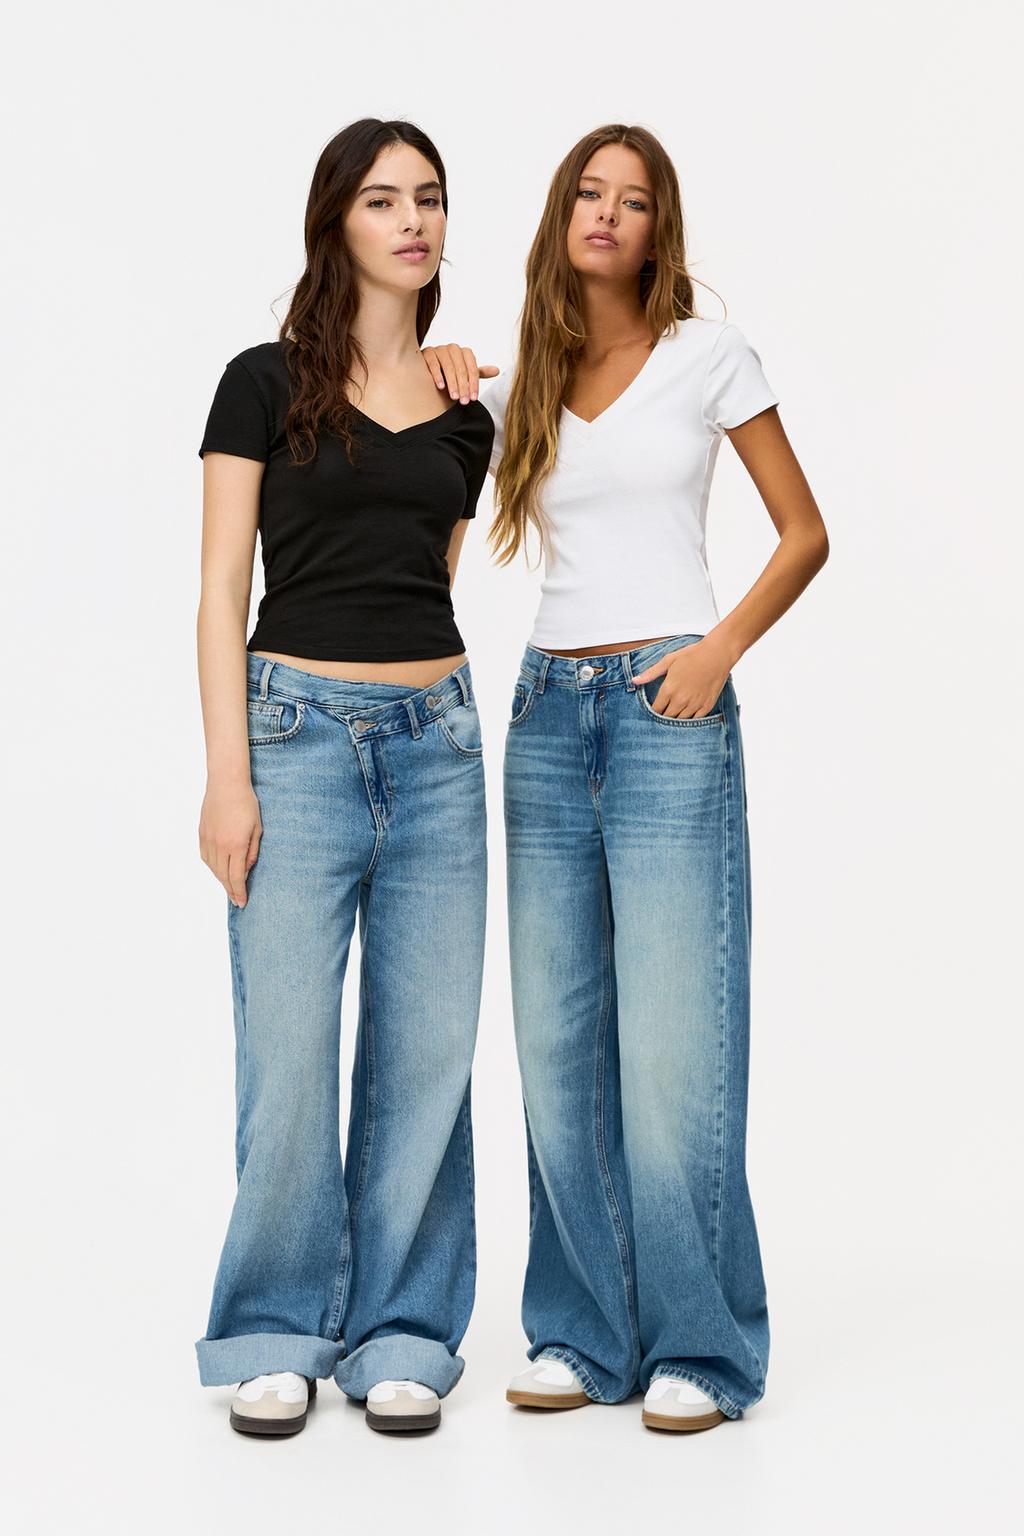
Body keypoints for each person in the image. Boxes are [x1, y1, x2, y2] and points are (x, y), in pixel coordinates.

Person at [424, 123, 828, 1433]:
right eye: (588, 194)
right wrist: (441, 374)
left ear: (660, 227)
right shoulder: (527, 377)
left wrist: (716, 651)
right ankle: (583, 1333)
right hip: (547, 715)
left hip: (668, 710)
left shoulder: (711, 353)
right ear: (562, 217)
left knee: (672, 1052)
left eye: (633, 199)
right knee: (557, 1045)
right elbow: (422, 498)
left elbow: (804, 532)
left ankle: (703, 1348)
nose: (607, 213)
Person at [194, 118, 494, 1437]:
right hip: (294, 739)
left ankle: (403, 1332)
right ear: (337, 223)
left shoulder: (467, 408)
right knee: (289, 1056)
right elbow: (221, 589)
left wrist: (456, 374)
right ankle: (273, 1327)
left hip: (438, 743)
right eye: (383, 199)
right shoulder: (261, 382)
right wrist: (230, 774)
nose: (412, 220)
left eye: (429, 197)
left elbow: (428, 577)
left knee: (426, 1055)